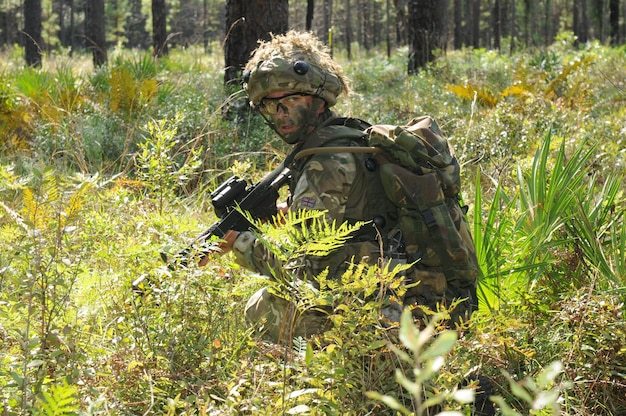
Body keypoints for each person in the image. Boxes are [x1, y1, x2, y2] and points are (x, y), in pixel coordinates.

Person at [217, 30, 477, 343]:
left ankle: (322, 380)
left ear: (318, 99)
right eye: (270, 107)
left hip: (393, 324)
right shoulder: (353, 137)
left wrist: (242, 246)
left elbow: (305, 274)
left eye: (292, 101)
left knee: (263, 306)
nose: (282, 115)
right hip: (434, 306)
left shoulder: (321, 162)